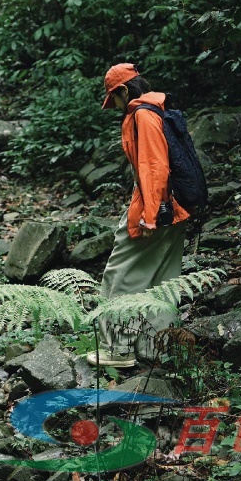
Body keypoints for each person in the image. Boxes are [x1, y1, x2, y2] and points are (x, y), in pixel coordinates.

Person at [88, 63, 189, 368]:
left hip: (155, 208)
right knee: (163, 280)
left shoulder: (142, 115)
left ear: (122, 90)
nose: (116, 107)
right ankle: (155, 347)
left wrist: (149, 216)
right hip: (175, 206)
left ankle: (117, 349)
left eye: (114, 100)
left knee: (121, 276)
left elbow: (152, 166)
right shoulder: (159, 109)